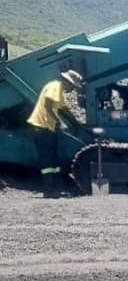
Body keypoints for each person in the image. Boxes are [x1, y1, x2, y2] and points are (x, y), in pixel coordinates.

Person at [26, 69, 82, 197]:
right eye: (73, 86)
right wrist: (58, 121)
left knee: (53, 159)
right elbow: (47, 104)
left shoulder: (60, 91)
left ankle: (56, 186)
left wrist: (78, 124)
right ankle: (49, 190)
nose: (72, 89)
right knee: (47, 159)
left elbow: (65, 109)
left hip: (48, 128)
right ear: (67, 81)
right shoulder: (55, 86)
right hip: (41, 126)